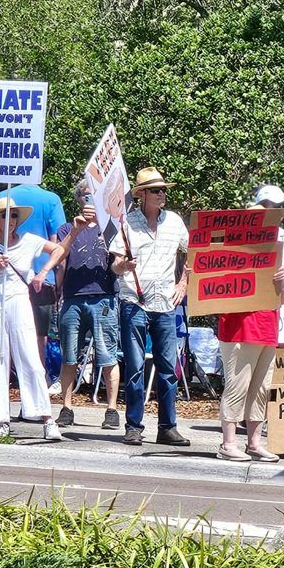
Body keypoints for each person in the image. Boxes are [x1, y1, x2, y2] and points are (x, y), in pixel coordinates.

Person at [0, 196, 81, 440]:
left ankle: (46, 418)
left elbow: (60, 250)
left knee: (31, 358)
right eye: (4, 215)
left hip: (20, 301)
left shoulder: (29, 241)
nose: (10, 220)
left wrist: (44, 270)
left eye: (13, 215)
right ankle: (0, 419)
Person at [109, 167, 192, 447]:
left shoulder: (176, 222)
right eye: (156, 190)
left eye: (163, 189)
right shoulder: (126, 223)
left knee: (168, 368)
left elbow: (192, 254)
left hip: (166, 303)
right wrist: (124, 265)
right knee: (134, 368)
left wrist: (184, 284)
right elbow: (115, 263)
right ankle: (134, 426)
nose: (162, 194)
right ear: (141, 195)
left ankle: (167, 427)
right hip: (134, 301)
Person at [215, 185, 284, 463]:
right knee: (238, 384)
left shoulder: (277, 250)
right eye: (272, 209)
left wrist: (281, 282)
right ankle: (228, 443)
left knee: (261, 387)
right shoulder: (231, 248)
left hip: (267, 327)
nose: (277, 215)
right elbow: (212, 288)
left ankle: (254, 442)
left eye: (278, 210)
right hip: (238, 328)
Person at [55, 181, 120, 430]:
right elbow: (60, 257)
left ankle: (112, 409)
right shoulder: (65, 228)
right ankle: (67, 406)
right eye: (84, 195)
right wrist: (57, 290)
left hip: (103, 296)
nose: (88, 199)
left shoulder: (110, 227)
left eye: (92, 195)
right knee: (69, 354)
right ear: (78, 200)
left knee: (107, 354)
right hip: (73, 296)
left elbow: (119, 259)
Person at [0, 183, 66, 374]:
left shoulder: (4, 195)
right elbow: (57, 242)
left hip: (5, 276)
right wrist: (56, 277)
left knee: (4, 334)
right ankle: (38, 382)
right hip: (42, 280)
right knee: (38, 337)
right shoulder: (51, 199)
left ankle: (5, 380)